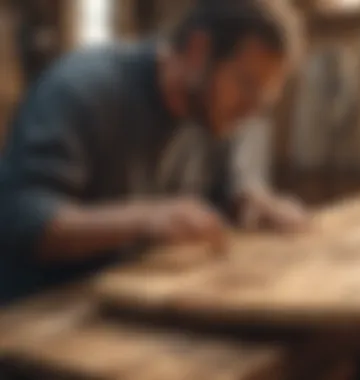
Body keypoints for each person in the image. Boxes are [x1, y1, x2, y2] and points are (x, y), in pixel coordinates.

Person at [0, 0, 307, 304]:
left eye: (264, 96)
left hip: (134, 304)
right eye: (247, 84)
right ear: (198, 51)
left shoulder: (212, 114)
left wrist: (251, 201)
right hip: (40, 319)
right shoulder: (82, 89)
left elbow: (225, 191)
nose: (252, 108)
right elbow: (23, 219)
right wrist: (145, 219)